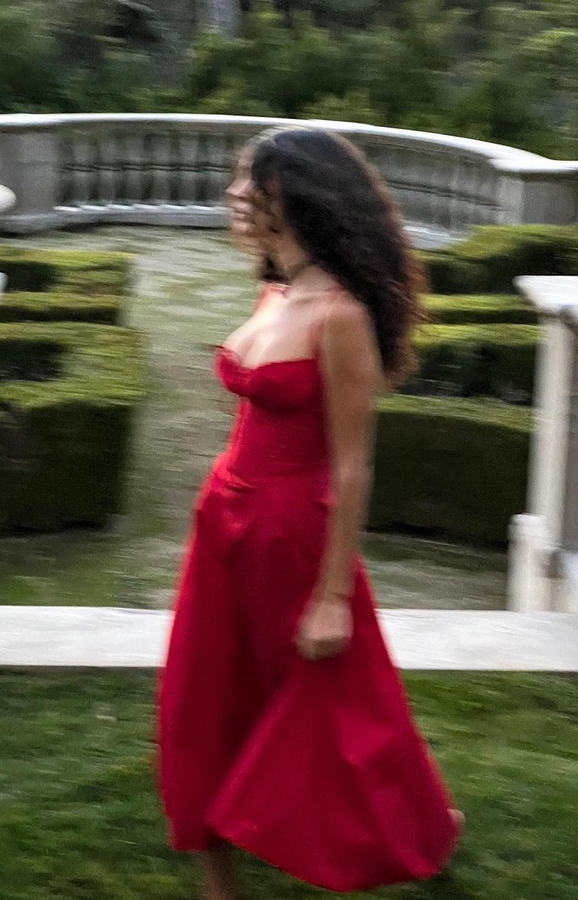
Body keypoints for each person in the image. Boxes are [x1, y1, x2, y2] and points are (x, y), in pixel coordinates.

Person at [157, 128, 463, 899]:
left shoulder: (340, 315)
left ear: (295, 197)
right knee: (205, 694)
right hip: (225, 518)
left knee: (337, 705)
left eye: (248, 181)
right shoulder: (274, 291)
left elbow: (352, 463)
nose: (233, 193)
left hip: (291, 532)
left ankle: (416, 828)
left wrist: (332, 595)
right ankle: (218, 876)